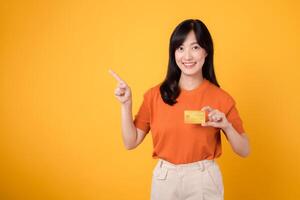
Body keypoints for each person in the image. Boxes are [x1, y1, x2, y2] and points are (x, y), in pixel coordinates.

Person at [109, 19, 250, 200]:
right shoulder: (154, 95)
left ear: (206, 51)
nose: (187, 56)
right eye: (180, 48)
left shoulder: (221, 98)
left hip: (203, 179)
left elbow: (245, 150)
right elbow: (130, 142)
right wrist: (125, 104)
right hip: (165, 180)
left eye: (195, 47)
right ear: (173, 53)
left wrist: (227, 126)